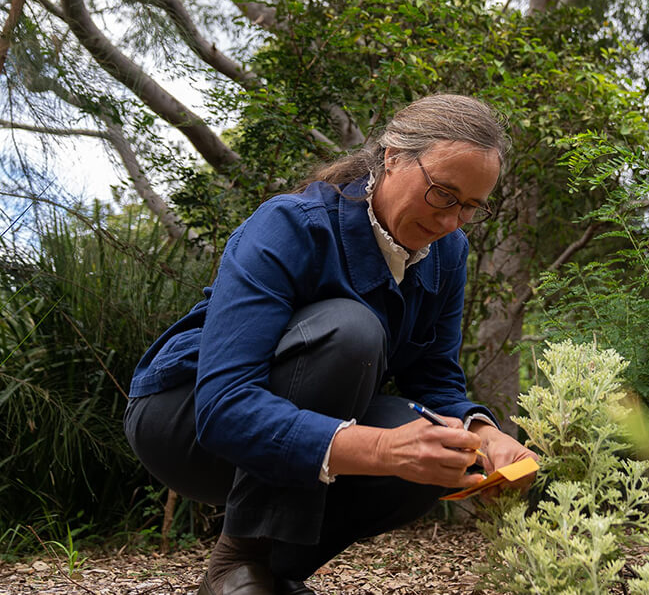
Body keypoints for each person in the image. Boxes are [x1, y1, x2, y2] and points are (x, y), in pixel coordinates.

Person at [124, 94, 537, 595]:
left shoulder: (447, 252)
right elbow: (224, 405)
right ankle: (239, 559)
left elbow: (433, 377)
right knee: (351, 334)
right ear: (392, 158)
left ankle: (270, 575)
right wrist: (385, 448)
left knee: (440, 447)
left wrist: (482, 432)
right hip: (183, 420)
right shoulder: (291, 225)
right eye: (443, 194)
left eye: (470, 206)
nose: (451, 221)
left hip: (292, 429)